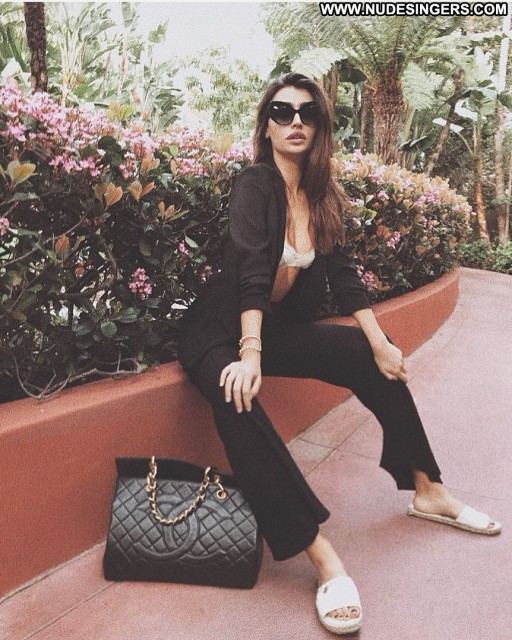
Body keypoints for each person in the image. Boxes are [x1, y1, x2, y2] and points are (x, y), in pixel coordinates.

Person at [177, 72, 501, 636]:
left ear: (321, 125)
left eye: (307, 113)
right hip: (217, 331)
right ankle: (321, 555)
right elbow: (251, 268)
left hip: (272, 328)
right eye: (282, 112)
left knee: (366, 352)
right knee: (236, 397)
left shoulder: (322, 194)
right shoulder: (255, 184)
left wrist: (380, 343)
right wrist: (248, 354)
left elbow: (346, 278)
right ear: (266, 125)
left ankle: (429, 490)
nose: (295, 122)